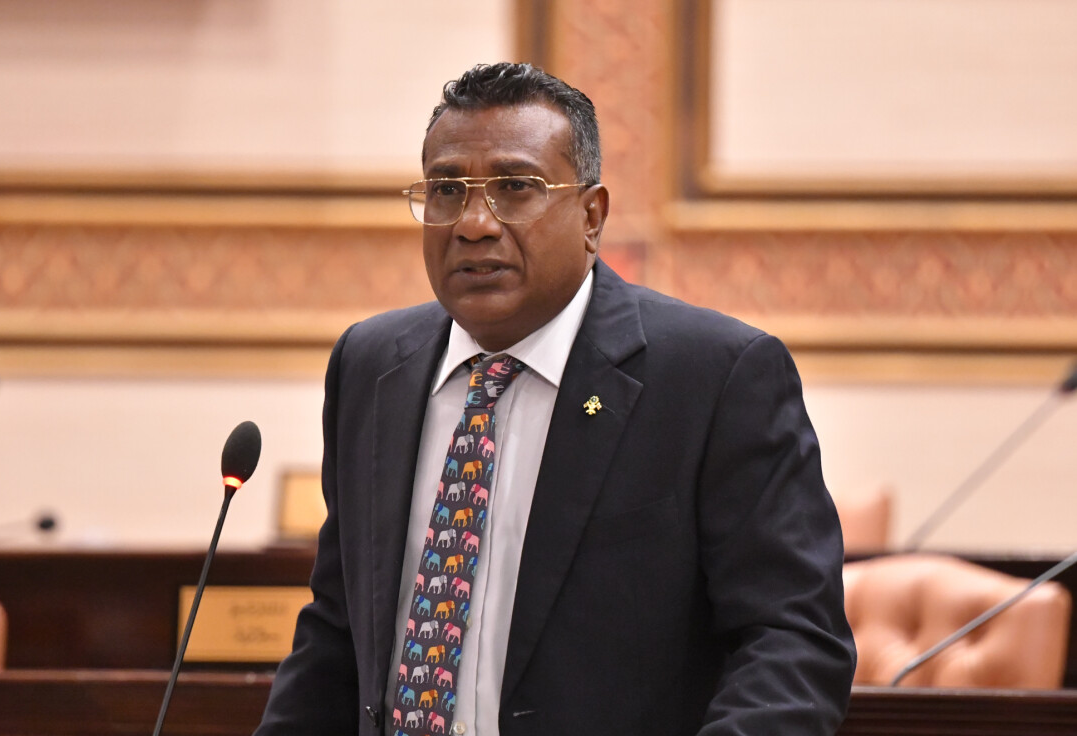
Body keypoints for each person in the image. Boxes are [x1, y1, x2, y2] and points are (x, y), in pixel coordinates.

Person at [254, 62, 855, 736]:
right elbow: (338, 632)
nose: (473, 223)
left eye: (516, 187)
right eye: (446, 190)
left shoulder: (714, 378)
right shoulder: (371, 366)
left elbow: (792, 641)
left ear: (592, 216)